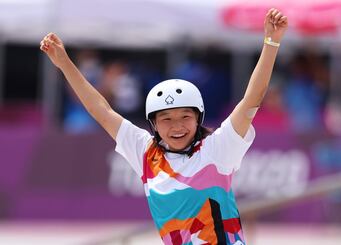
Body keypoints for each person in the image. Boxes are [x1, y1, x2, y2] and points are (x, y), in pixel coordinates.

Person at [40, 8, 287, 245]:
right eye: (166, 119)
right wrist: (64, 63)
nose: (177, 126)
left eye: (185, 117)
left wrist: (271, 43)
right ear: (154, 124)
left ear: (198, 118)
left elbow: (251, 100)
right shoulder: (146, 153)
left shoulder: (218, 149)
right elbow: (101, 110)